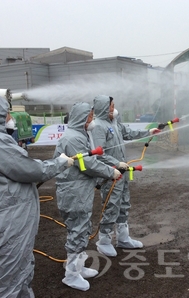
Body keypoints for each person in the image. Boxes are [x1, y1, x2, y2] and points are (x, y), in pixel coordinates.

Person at [0, 91, 74, 298]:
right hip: (7, 226)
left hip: (3, 223)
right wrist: (61, 162)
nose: (11, 118)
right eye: (7, 114)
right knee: (4, 286)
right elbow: (33, 170)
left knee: (19, 274)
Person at [53, 102, 121, 291]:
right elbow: (88, 164)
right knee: (78, 229)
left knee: (81, 228)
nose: (91, 119)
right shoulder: (73, 138)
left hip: (78, 190)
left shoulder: (79, 135)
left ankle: (78, 267)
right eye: (89, 116)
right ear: (81, 118)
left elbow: (87, 163)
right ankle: (72, 275)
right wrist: (110, 172)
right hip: (74, 192)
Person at [90, 95, 160, 257]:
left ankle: (123, 237)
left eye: (114, 105)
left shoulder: (114, 123)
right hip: (109, 173)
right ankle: (104, 240)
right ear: (102, 108)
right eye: (111, 106)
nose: (114, 109)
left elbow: (128, 133)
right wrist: (116, 163)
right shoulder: (99, 127)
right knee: (111, 204)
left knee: (124, 203)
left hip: (121, 172)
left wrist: (148, 131)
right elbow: (99, 154)